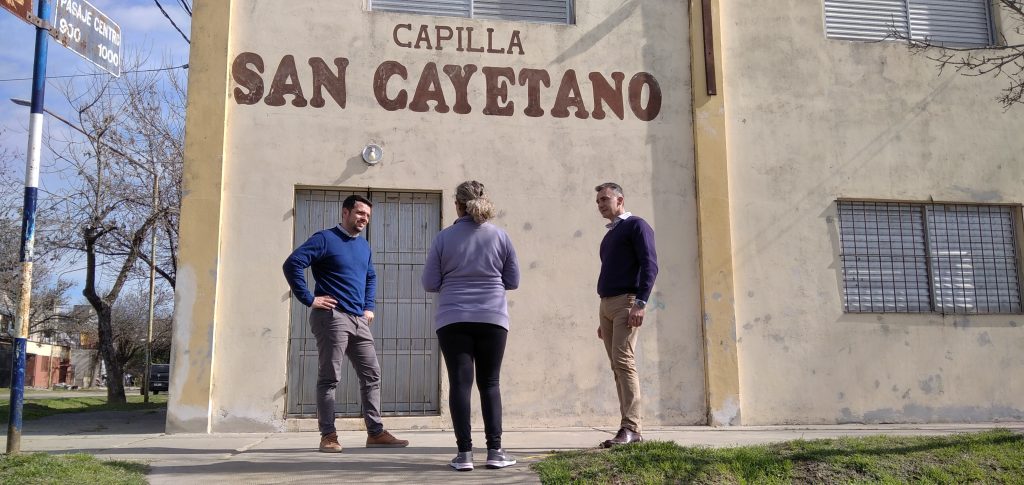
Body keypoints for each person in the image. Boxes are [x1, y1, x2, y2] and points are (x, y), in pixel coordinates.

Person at [283, 194, 409, 453]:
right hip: (332, 317)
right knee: (330, 378)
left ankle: (375, 433)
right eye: (360, 213)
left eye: (368, 216)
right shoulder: (325, 239)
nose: (364, 219)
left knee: (371, 374)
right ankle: (328, 435)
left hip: (358, 319)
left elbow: (370, 276)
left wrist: (368, 307)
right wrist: (309, 298)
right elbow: (292, 263)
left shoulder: (364, 246)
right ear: (345, 213)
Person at [422, 181, 520, 471]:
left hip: (453, 319)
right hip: (492, 318)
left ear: (457, 205)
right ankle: (495, 451)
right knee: (490, 383)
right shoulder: (501, 237)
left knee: (460, 384)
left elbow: (429, 283)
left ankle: (464, 455)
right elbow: (513, 281)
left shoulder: (443, 238)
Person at [593, 182, 658, 447]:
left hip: (627, 302)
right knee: (616, 366)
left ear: (620, 200)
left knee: (624, 362)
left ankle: (632, 428)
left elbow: (650, 265)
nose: (600, 204)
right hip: (607, 306)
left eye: (605, 199)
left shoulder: (637, 226)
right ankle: (628, 428)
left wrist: (640, 303)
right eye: (598, 201)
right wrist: (603, 319)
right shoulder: (610, 235)